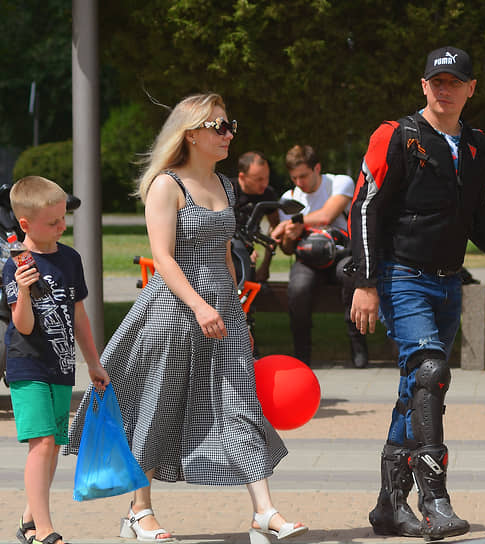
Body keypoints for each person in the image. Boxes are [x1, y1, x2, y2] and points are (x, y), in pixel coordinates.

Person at [65, 93, 307, 542]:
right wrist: (200, 306)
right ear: (191, 133)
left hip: (223, 309)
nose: (229, 133)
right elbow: (163, 258)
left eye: (230, 125)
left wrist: (235, 310)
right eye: (219, 126)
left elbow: (226, 254)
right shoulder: (166, 185)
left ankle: (264, 512)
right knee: (159, 405)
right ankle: (140, 511)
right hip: (174, 308)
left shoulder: (226, 185)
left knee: (241, 405)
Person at [349, 46, 485, 540]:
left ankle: (389, 508)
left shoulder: (474, 144)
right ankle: (435, 500)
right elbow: (365, 209)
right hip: (400, 275)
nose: (445, 88)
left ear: (471, 88)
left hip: (448, 282)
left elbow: (477, 217)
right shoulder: (397, 136)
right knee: (431, 373)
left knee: (415, 388)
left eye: (455, 81)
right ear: (423, 85)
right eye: (437, 80)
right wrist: (365, 283)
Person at [4, 176, 110, 544]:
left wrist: (93, 362)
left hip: (62, 365)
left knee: (52, 447)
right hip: (27, 364)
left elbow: (78, 315)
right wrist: (23, 289)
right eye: (53, 222)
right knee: (43, 442)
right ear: (25, 225)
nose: (63, 226)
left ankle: (29, 518)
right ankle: (44, 528)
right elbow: (23, 324)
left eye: (63, 218)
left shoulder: (70, 259)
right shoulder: (16, 265)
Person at [271, 144, 368, 368]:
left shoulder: (339, 183)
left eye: (303, 175)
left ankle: (358, 345)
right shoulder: (289, 197)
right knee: (297, 289)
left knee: (350, 276)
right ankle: (302, 355)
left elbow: (326, 215)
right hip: (308, 260)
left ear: (317, 168)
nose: (299, 183)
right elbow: (286, 249)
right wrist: (289, 235)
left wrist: (291, 222)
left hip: (340, 253)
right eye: (294, 177)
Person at [233, 151, 280, 283]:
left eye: (267, 177)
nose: (264, 183)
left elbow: (274, 228)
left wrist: (265, 266)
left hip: (249, 249)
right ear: (242, 177)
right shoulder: (228, 190)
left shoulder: (268, 194)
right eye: (258, 179)